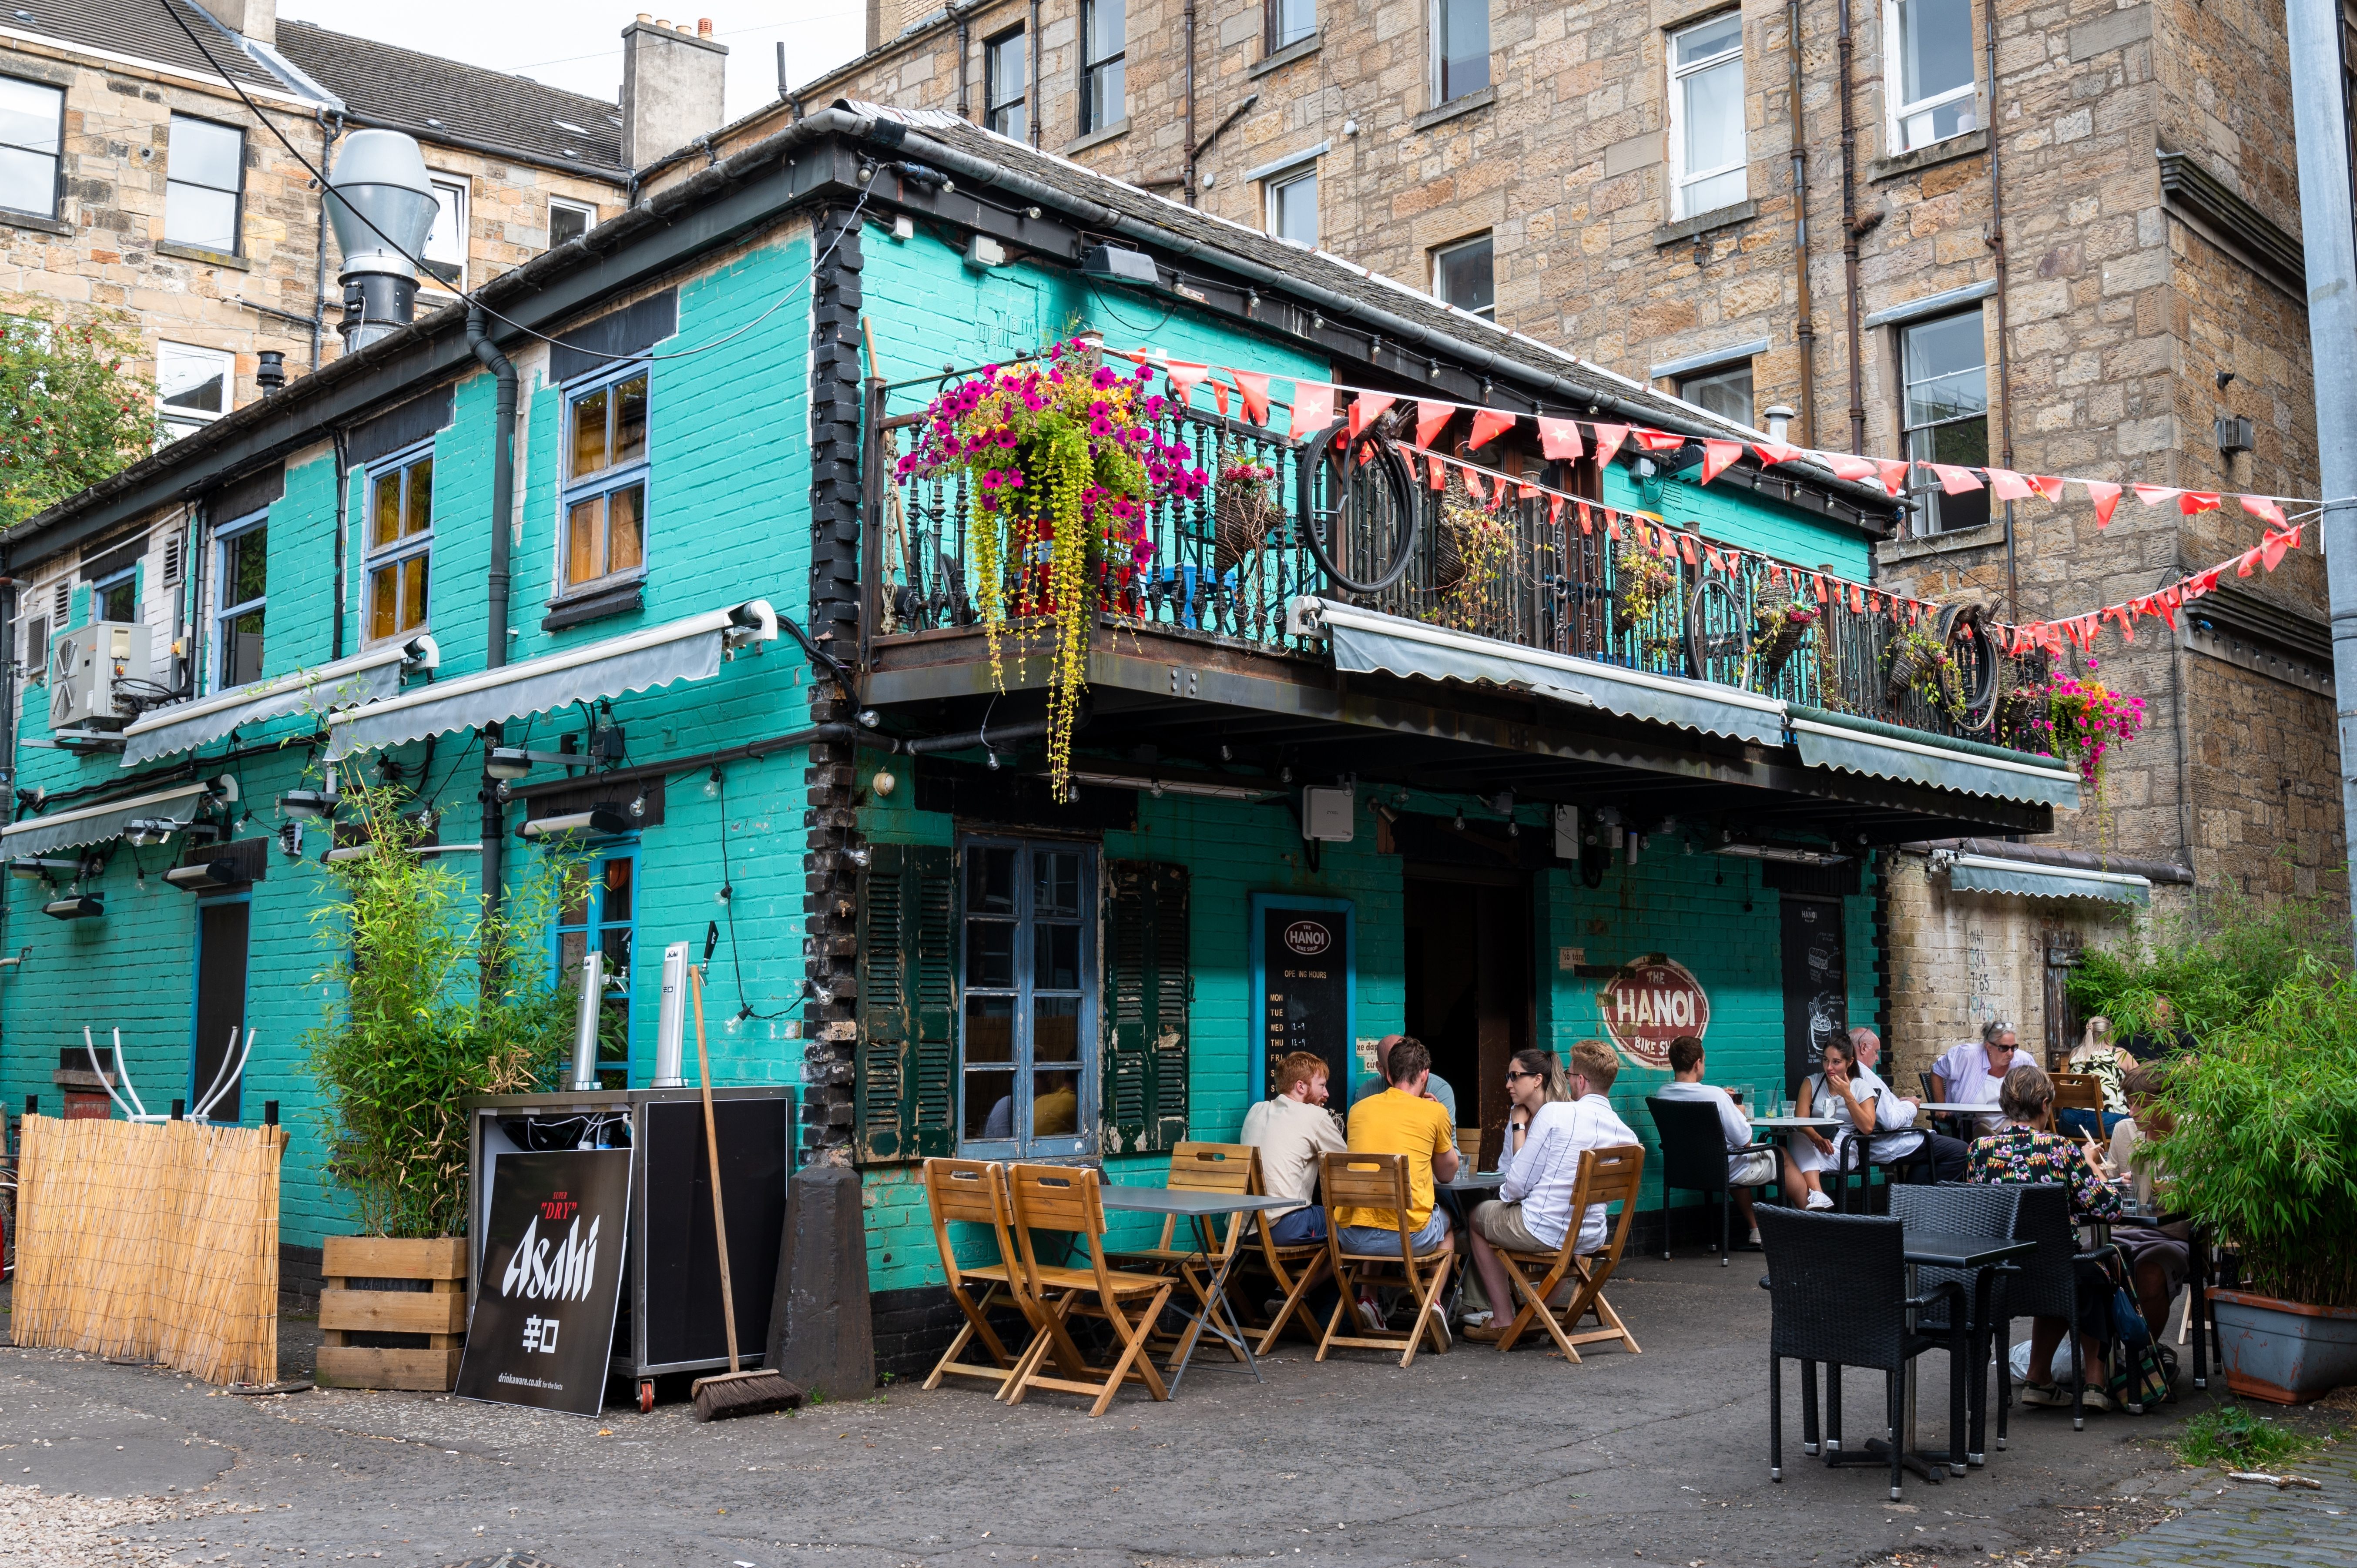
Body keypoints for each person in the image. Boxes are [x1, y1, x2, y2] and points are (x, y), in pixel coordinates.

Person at [1966, 1061, 2127, 1408]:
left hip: (1999, 1274)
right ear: (2044, 1105)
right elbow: (2110, 1209)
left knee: (2066, 1266)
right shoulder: (2060, 1149)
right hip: (2054, 1273)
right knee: (2095, 1268)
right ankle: (2095, 1383)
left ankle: (2039, 1379)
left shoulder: (1978, 1151)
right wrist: (2093, 1167)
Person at [1463, 1039, 1638, 1340]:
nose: (1568, 1080)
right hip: (1589, 1236)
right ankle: (1534, 1317)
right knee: (1560, 1241)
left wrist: (1507, 1198)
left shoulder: (1555, 1114)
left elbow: (1516, 1184)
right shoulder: (1627, 1135)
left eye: (1570, 1075)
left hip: (1542, 1228)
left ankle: (1505, 1320)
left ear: (1580, 1081)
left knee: (1477, 1217)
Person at [1335, 1037, 1459, 1340]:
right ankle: (1434, 1301)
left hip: (1350, 1236)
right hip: (1410, 1238)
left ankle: (1367, 1298)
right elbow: (1446, 1174)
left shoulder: (1359, 1110)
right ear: (1425, 1074)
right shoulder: (1434, 1112)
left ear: (1387, 1075)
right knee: (1448, 1222)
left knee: (1376, 1209)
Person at [2098, 1063, 2193, 1344]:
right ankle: (2103, 1365)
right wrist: (2099, 1172)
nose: (2132, 1112)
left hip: (2170, 1235)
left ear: (2167, 1101)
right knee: (2084, 1269)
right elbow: (2110, 1189)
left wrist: (2153, 1185)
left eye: (2140, 1104)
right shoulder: (2124, 1131)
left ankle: (2145, 1360)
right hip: (2121, 1233)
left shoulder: (2194, 1134)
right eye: (2129, 1103)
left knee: (2149, 1277)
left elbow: (2204, 1192)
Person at [1654, 1033, 1775, 1247]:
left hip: (1684, 1171)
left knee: (1732, 1158)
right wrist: (1739, 1111)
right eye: (1704, 1061)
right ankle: (1809, 1226)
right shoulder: (1716, 1097)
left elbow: (1692, 1096)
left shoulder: (1662, 1094)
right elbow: (1745, 1140)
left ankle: (1756, 1229)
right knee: (1782, 1156)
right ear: (1697, 1063)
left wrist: (1721, 1098)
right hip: (1722, 1169)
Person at [1240, 1050, 1348, 1246]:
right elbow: (1348, 1165)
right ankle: (1314, 1278)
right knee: (1351, 1225)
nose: (1327, 1094)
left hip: (1242, 1230)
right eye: (1322, 1086)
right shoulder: (1315, 1116)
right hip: (1283, 1227)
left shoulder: (1255, 1111)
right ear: (1301, 1086)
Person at [1848, 1026, 1970, 1182]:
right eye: (1876, 1052)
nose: (1877, 1058)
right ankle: (1923, 1198)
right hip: (1888, 1143)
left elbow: (1878, 1108)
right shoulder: (1865, 1075)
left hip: (1883, 1141)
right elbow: (1890, 1121)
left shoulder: (1853, 1071)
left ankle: (1911, 1194)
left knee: (1931, 1151)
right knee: (1961, 1150)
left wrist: (1897, 1103)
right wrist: (1911, 1106)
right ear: (1864, 1048)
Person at [1780, 1034, 1884, 1210]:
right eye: (1826, 1060)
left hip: (1843, 1149)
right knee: (1787, 1146)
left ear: (1849, 1062)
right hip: (1813, 1143)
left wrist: (1847, 1094)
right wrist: (1817, 1139)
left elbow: (1867, 1127)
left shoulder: (1860, 1087)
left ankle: (1809, 1214)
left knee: (1787, 1163)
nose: (1829, 1067)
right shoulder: (1812, 1082)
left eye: (1836, 1062)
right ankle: (1818, 1196)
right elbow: (1800, 1121)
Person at [1933, 1020, 2024, 1137]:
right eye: (2004, 1048)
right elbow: (1937, 1071)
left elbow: (2038, 1087)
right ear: (1989, 1047)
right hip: (1972, 1122)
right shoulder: (1967, 1055)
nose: (2010, 1053)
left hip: (2006, 1119)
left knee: (2020, 1139)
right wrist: (1941, 1107)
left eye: (2014, 1047)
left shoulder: (2021, 1060)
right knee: (1991, 1145)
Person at [1352, 1033, 1459, 1125]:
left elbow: (1444, 1144)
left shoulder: (1439, 1089)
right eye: (1396, 1068)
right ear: (1381, 1069)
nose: (1406, 1072)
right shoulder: (1368, 1091)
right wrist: (1419, 1111)